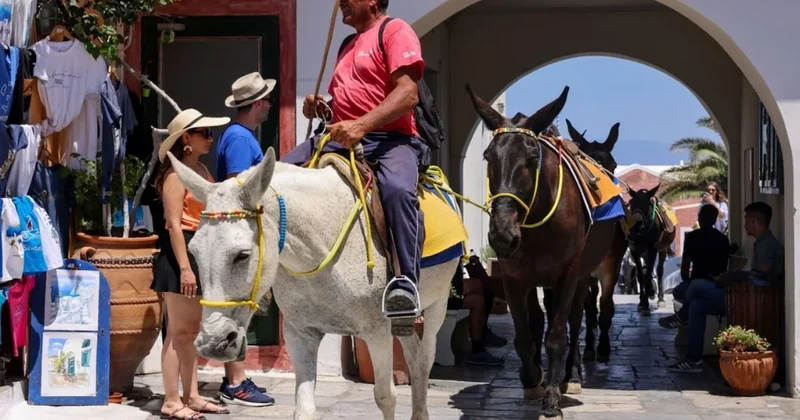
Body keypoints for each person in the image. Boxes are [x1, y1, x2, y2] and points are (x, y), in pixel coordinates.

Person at [281, 0, 429, 334]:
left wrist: (361, 126)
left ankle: (406, 284)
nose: (341, 3)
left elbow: (407, 94)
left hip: (391, 140)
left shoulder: (395, 31)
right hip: (339, 136)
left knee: (397, 192)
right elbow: (351, 102)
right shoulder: (347, 44)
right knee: (277, 178)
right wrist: (322, 109)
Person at [151, 109, 232, 419]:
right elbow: (173, 225)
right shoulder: (174, 175)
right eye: (205, 134)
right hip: (181, 256)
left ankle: (192, 395)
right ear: (187, 138)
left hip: (200, 254)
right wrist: (185, 268)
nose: (210, 139)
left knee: (192, 331)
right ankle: (172, 400)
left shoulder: (200, 170)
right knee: (179, 332)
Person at [213, 72, 276, 406]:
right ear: (256, 104)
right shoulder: (239, 138)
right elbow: (239, 186)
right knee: (236, 309)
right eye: (265, 99)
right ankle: (235, 382)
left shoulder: (241, 135)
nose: (269, 103)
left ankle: (235, 377)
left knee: (241, 308)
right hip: (239, 235)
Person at [659, 205, 729, 332]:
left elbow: (685, 267)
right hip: (716, 285)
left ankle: (682, 316)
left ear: (700, 219)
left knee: (679, 291)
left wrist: (687, 281)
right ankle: (693, 350)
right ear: (714, 220)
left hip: (697, 284)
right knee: (695, 303)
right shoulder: (723, 239)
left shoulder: (692, 237)